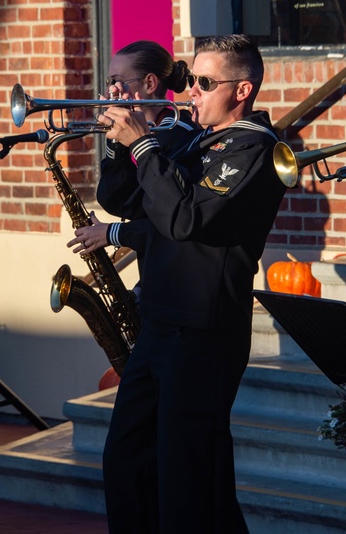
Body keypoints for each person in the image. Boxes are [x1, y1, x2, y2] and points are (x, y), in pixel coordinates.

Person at [73, 34, 286, 532]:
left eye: (206, 83)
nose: (191, 91)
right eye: (192, 79)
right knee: (126, 460)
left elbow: (187, 218)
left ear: (242, 90)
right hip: (161, 322)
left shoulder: (255, 148)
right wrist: (119, 140)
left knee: (188, 480)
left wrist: (145, 145)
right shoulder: (191, 137)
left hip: (205, 330)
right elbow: (126, 201)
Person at [69, 40, 200, 288]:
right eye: (109, 83)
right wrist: (116, 142)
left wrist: (111, 233)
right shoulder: (145, 133)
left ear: (150, 83)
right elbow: (115, 200)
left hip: (181, 283)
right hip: (155, 273)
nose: (111, 91)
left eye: (117, 81)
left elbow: (159, 215)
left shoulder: (179, 134)